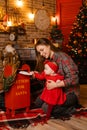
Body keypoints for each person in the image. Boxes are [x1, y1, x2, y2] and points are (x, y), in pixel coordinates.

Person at [33, 38, 80, 119]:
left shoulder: (63, 57)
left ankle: (72, 108)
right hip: (55, 92)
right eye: (39, 52)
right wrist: (36, 75)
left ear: (48, 45)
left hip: (69, 93)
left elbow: (74, 78)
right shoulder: (49, 60)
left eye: (42, 50)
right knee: (37, 102)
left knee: (45, 108)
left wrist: (56, 85)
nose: (41, 54)